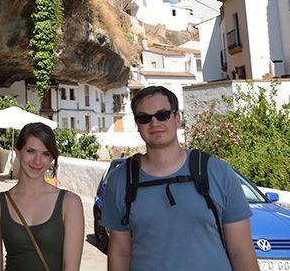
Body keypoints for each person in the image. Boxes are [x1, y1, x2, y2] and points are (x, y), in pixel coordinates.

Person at [101, 86, 258, 271]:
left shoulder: (218, 172)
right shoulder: (120, 180)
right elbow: (120, 252)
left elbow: (241, 251)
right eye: (144, 118)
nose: (154, 123)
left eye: (162, 115)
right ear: (138, 125)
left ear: (177, 118)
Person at [0, 123, 84, 271]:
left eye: (46, 154)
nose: (38, 161)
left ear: (52, 158)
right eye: (31, 151)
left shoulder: (70, 203)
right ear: (18, 152)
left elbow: (71, 267)